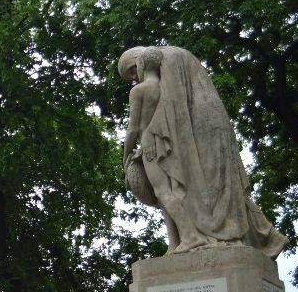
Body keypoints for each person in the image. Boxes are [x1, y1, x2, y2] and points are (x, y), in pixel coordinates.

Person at [119, 45, 285, 257]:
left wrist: (130, 155)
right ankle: (258, 235)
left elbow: (149, 122)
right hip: (200, 131)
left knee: (187, 189)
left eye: (132, 70)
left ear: (141, 59)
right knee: (207, 188)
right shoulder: (171, 65)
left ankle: (195, 237)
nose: (134, 77)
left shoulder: (166, 63)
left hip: (190, 135)